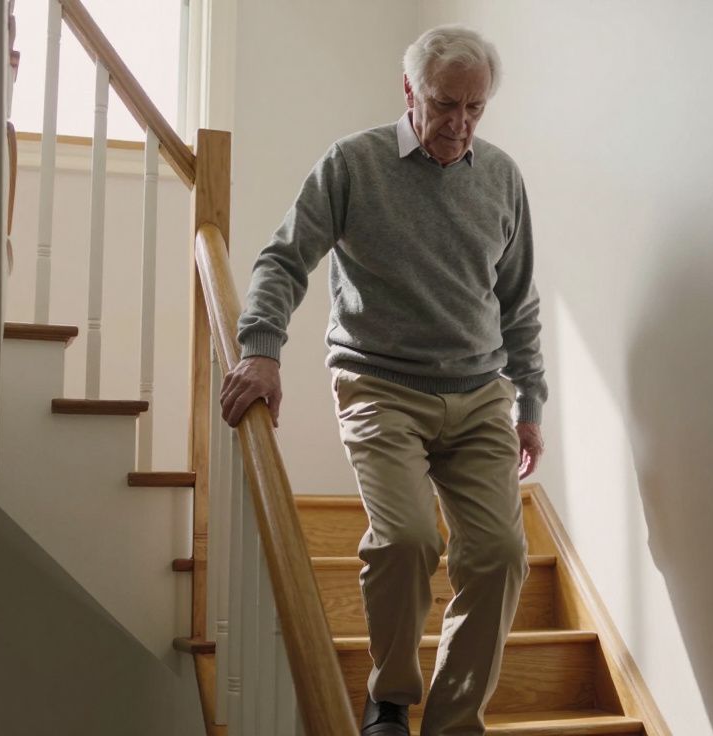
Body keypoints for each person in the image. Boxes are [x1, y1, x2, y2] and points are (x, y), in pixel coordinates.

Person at [219, 25, 546, 736]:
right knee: (405, 540)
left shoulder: (502, 177)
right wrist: (261, 348)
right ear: (409, 92)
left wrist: (532, 401)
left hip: (481, 392)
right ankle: (390, 696)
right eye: (444, 103)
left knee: (499, 556)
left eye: (475, 108)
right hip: (380, 386)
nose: (459, 124)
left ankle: (454, 723)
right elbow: (282, 259)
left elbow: (518, 302)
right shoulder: (353, 164)